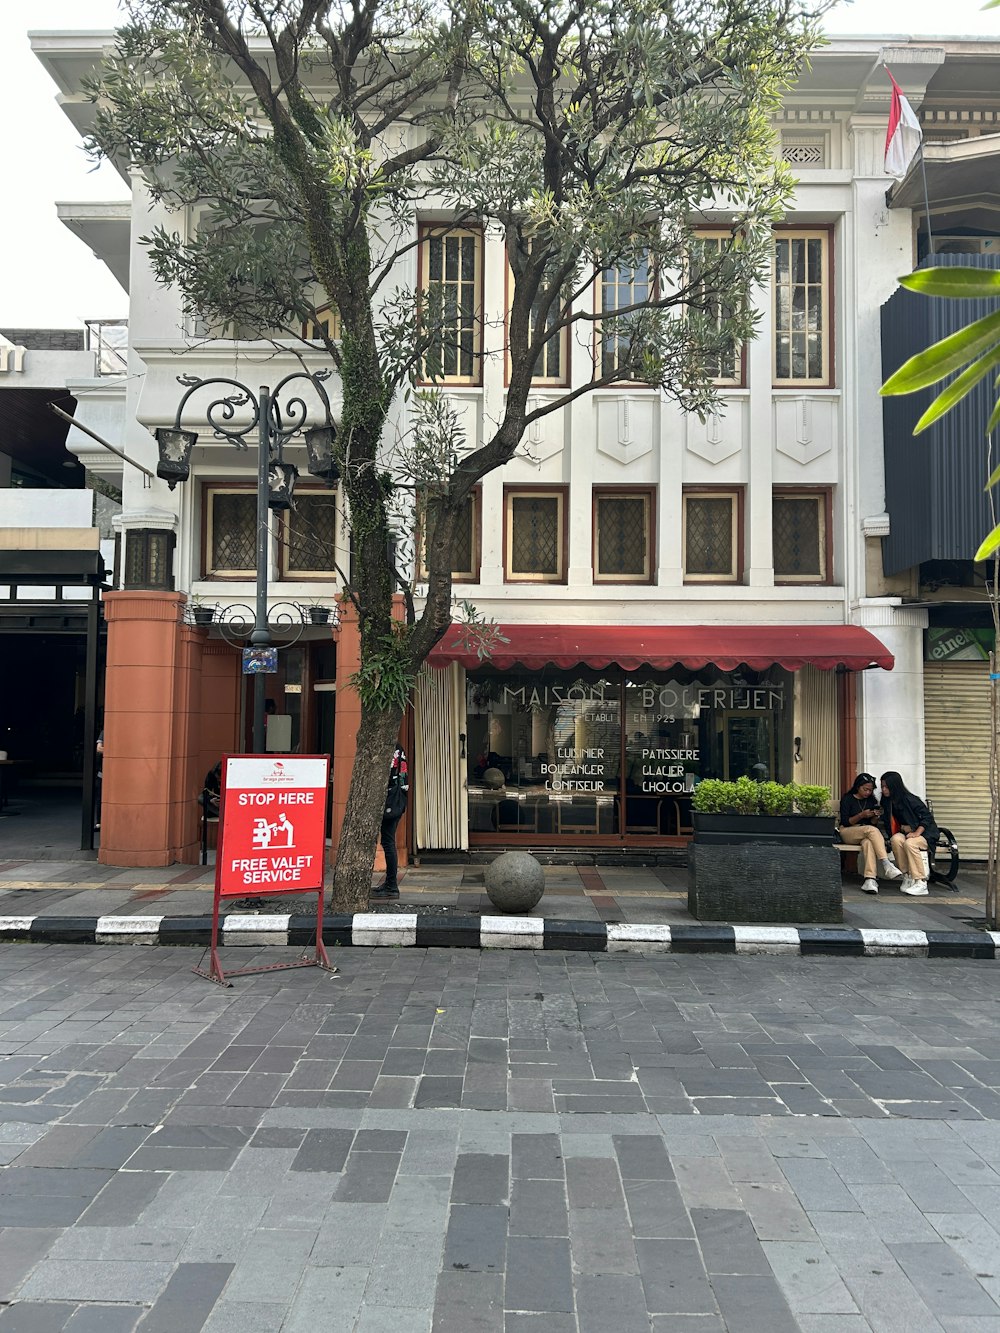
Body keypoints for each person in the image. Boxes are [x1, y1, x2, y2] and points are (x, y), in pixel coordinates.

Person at [837, 772, 902, 894]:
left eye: (870, 790)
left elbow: (872, 824)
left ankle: (870, 879)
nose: (867, 792)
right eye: (865, 789)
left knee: (868, 843)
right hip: (848, 831)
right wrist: (861, 815)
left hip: (866, 832)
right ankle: (886, 863)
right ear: (858, 786)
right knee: (870, 831)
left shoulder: (872, 800)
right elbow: (846, 822)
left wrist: (875, 817)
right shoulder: (848, 798)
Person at [880, 770, 939, 897]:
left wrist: (917, 831)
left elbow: (927, 818)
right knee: (896, 839)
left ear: (894, 786)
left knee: (910, 843)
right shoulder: (887, 802)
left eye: (886, 786)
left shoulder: (910, 799)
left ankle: (921, 881)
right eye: (882, 786)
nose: (884, 790)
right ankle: (907, 875)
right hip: (906, 833)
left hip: (926, 834)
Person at [372, 743, 409, 899]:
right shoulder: (399, 749)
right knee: (388, 842)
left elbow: (384, 776)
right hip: (398, 800)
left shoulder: (387, 748)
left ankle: (391, 885)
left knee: (388, 843)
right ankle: (390, 884)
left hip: (389, 801)